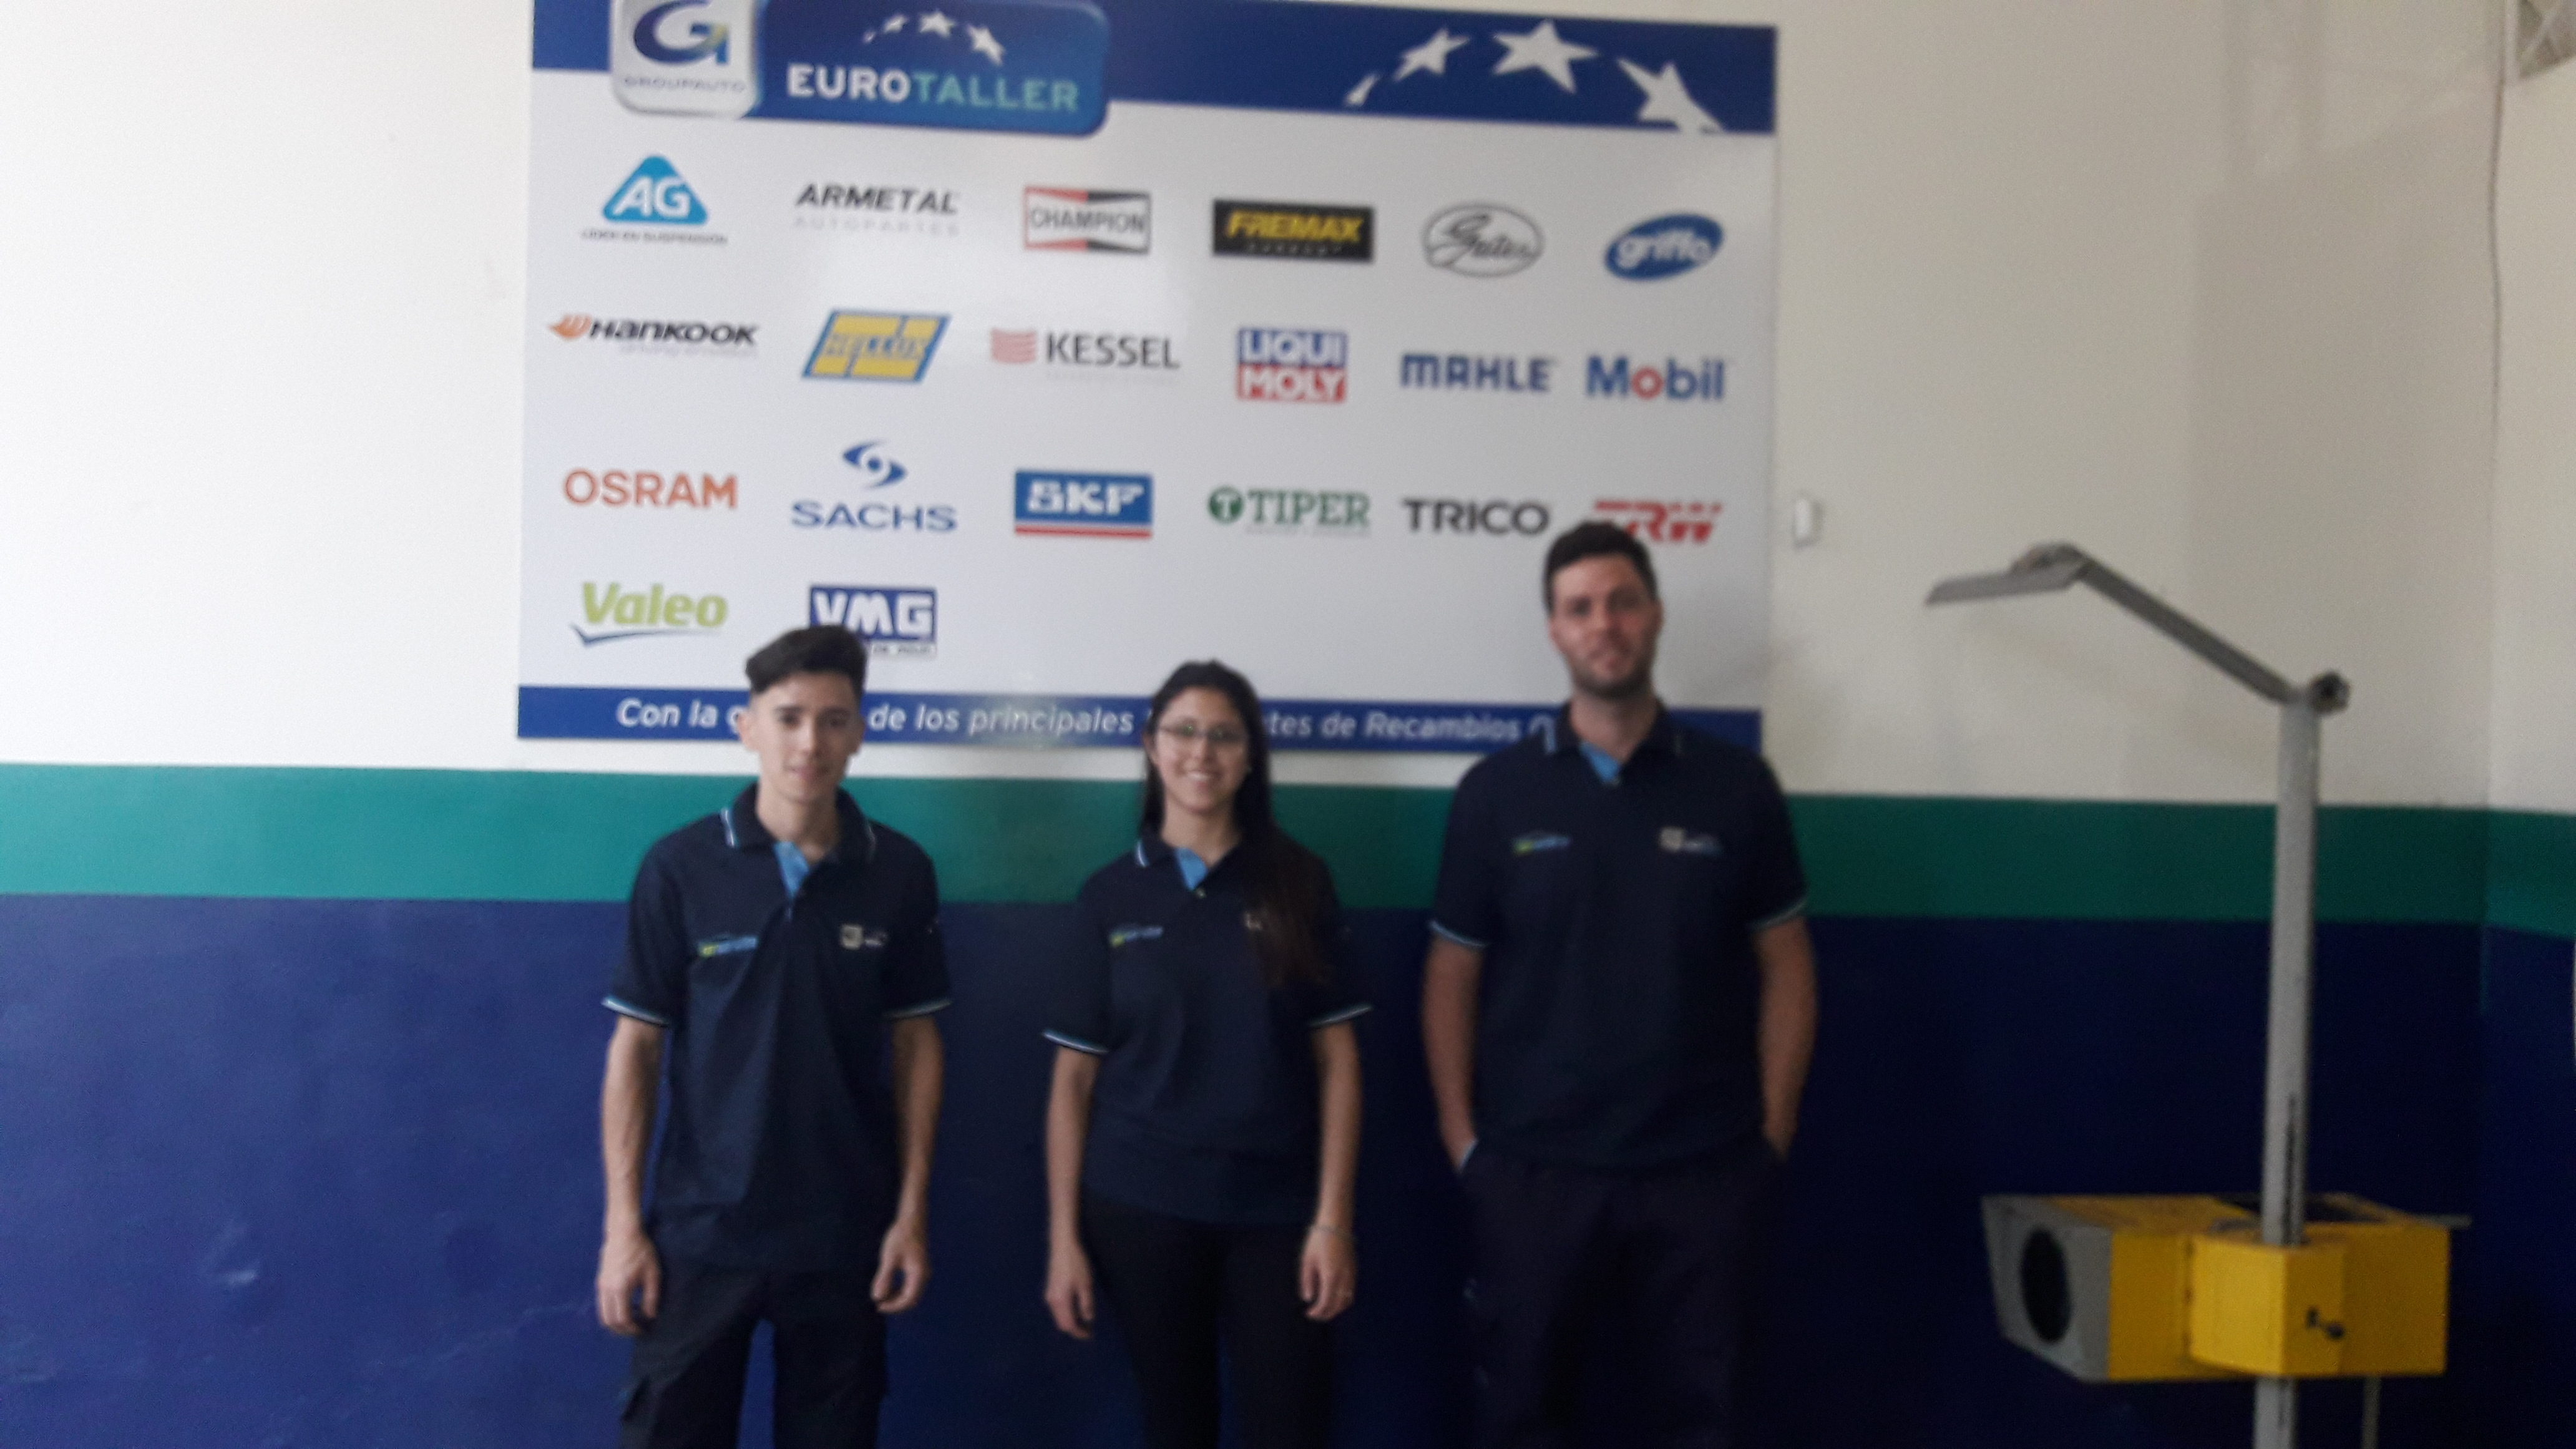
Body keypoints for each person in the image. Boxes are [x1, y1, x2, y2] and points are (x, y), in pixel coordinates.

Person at [1421, 522, 1817, 1449]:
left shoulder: (1736, 786)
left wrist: (1770, 1136)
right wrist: (1462, 1140)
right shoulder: (1496, 792)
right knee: (1522, 1417)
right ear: (1555, 630)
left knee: (1703, 1421)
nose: (1604, 624)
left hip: (1704, 1170)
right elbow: (1451, 973)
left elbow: (1789, 962)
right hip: (1534, 1172)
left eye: (1622, 602)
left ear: (1656, 614)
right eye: (1580, 608)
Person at [595, 625, 950, 1449]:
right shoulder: (680, 867)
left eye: (834, 720)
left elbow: (917, 1046)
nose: (810, 742)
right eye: (788, 717)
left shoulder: (900, 872)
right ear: (747, 727)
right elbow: (636, 1049)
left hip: (843, 1234)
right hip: (700, 1233)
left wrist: (910, 1213)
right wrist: (623, 1227)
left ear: (859, 733)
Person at [1041, 661, 1369, 1449]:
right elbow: (1072, 1082)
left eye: (1224, 735)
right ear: (1151, 745)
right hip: (1141, 1205)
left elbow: (1339, 1064)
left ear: (1251, 757)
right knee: (1175, 1425)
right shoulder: (1109, 896)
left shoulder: (1299, 882)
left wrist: (1333, 1221)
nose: (1202, 752)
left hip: (1278, 1211)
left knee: (1292, 1426)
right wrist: (1063, 1241)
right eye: (1184, 731)